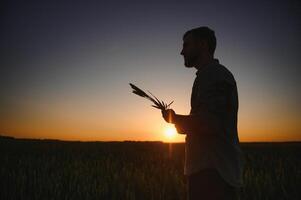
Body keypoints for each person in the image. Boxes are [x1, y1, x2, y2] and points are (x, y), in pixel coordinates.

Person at [161, 27, 244, 200]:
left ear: (203, 45)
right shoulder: (206, 76)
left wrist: (176, 119)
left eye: (186, 45)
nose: (181, 51)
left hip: (213, 173)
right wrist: (178, 122)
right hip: (207, 171)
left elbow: (210, 124)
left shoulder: (215, 75)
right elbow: (201, 122)